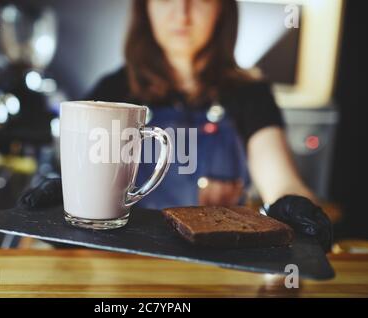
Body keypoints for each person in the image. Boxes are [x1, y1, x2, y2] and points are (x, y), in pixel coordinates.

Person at [19, 0, 332, 251]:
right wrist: (62, 189)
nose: (182, 12)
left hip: (213, 261)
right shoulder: (112, 92)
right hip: (113, 258)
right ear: (146, 8)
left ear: (223, 8)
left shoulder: (250, 94)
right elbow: (76, 170)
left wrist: (293, 204)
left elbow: (280, 180)